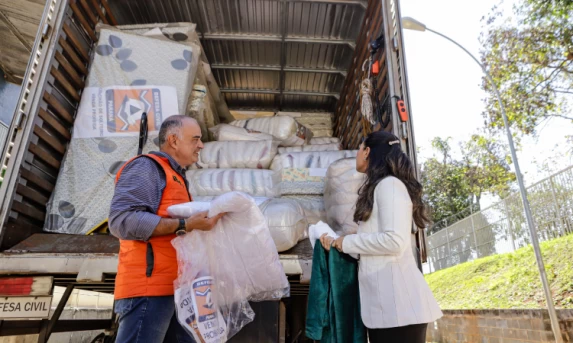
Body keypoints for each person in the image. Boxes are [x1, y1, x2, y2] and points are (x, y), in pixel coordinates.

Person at [109, 115, 225, 343]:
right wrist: (185, 224)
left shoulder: (177, 176)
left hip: (174, 289)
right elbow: (122, 220)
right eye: (195, 139)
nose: (201, 145)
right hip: (148, 290)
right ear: (173, 140)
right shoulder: (146, 168)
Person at [320, 130, 442, 343]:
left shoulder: (390, 185)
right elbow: (376, 244)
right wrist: (339, 244)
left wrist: (347, 242)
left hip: (401, 311)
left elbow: (394, 241)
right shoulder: (380, 187)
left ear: (367, 152)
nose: (357, 154)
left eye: (359, 148)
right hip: (386, 310)